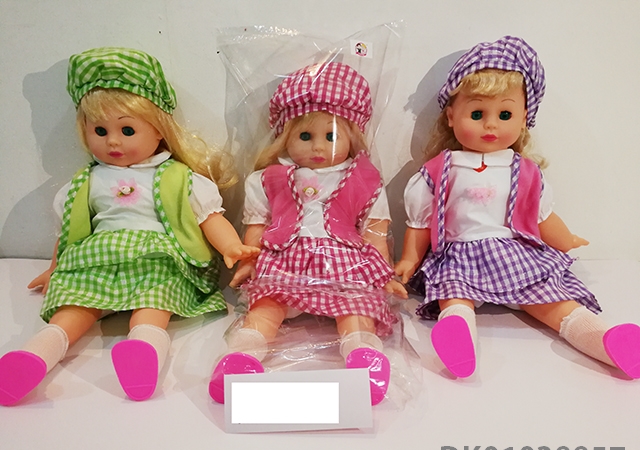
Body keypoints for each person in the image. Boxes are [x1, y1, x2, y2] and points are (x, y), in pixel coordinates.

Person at [0, 47, 259, 405]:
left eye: (127, 129)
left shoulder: (178, 176)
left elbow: (208, 218)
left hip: (159, 259)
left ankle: (143, 352)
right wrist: (54, 269)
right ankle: (33, 356)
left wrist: (231, 247)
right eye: (100, 130)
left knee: (155, 302)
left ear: (159, 131)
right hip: (96, 260)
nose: (113, 141)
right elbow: (71, 230)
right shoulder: (86, 181)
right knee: (73, 306)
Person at [396, 36, 640, 379]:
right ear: (451, 116)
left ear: (524, 117)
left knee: (550, 300)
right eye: (477, 114)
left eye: (505, 114)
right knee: (455, 295)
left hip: (515, 252)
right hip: (459, 254)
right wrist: (409, 259)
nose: (491, 124)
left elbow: (541, 216)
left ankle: (604, 339)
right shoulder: (441, 169)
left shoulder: (523, 170)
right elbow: (420, 221)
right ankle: (457, 333)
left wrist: (566, 239)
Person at [209, 62, 407, 405]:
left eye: (331, 136)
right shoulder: (269, 178)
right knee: (267, 305)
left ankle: (364, 356)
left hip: (345, 261)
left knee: (356, 306)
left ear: (351, 137)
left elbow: (375, 232)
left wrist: (384, 274)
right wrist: (248, 261)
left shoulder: (364, 178)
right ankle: (242, 356)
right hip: (285, 258)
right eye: (305, 136)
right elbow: (258, 226)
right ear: (285, 137)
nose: (318, 147)